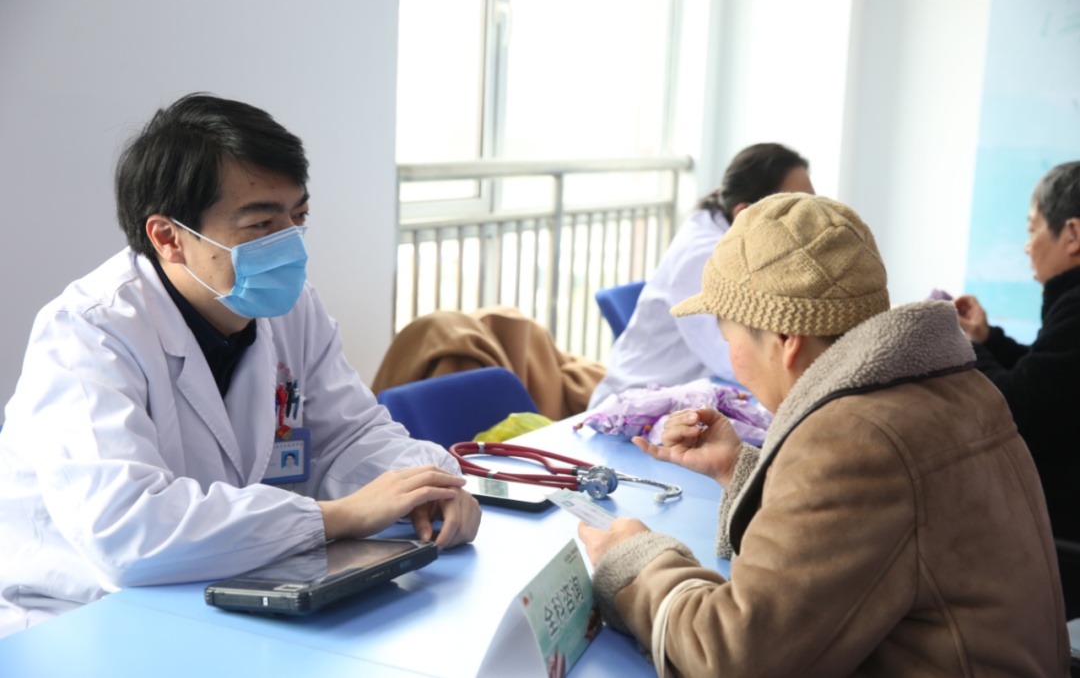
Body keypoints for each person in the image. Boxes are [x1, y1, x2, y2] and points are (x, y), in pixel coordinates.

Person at [0, 94, 481, 637]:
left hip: (226, 593)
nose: (291, 244)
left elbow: (352, 434)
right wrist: (337, 517)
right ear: (168, 237)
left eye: (298, 217)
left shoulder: (292, 308)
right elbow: (126, 530)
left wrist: (429, 486)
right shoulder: (87, 333)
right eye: (261, 224)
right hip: (75, 620)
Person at [578, 194, 1068, 676]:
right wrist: (743, 472)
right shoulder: (953, 391)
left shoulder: (854, 440)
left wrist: (637, 561)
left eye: (730, 340)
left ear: (785, 340)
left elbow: (735, 657)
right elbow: (869, 543)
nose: (733, 361)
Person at [588, 143, 813, 408]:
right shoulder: (703, 256)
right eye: (793, 210)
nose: (808, 221)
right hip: (637, 408)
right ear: (743, 213)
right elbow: (735, 360)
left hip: (692, 394)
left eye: (811, 206)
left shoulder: (733, 234)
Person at [953, 160, 1080, 618]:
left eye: (1032, 229)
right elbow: (1051, 375)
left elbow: (1015, 408)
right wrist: (987, 338)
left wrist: (964, 347)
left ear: (1073, 234)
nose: (1027, 246)